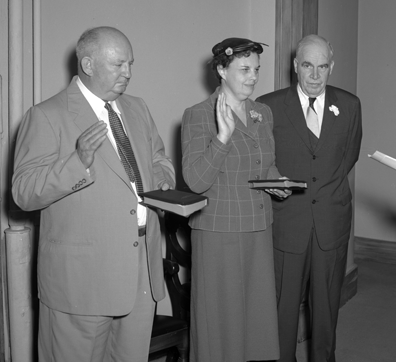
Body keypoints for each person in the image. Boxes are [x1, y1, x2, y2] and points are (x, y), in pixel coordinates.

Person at [11, 26, 175, 361]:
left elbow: (159, 158)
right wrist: (78, 162)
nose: (128, 73)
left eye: (130, 63)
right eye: (118, 65)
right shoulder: (46, 115)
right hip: (80, 283)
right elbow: (23, 193)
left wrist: (164, 182)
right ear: (88, 65)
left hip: (139, 272)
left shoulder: (137, 108)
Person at [181, 37, 289, 362]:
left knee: (255, 323)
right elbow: (196, 180)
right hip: (219, 234)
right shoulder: (198, 115)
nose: (253, 77)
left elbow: (263, 163)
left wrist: (277, 181)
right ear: (221, 70)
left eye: (256, 69)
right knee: (221, 326)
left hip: (257, 227)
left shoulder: (262, 113)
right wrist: (223, 137)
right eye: (244, 69)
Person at [256, 34, 363, 362]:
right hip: (288, 222)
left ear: (332, 67)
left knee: (327, 308)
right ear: (294, 67)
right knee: (282, 310)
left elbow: (349, 157)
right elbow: (262, 162)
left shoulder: (349, 105)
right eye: (307, 66)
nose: (315, 75)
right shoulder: (269, 106)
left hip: (332, 221)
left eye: (322, 66)